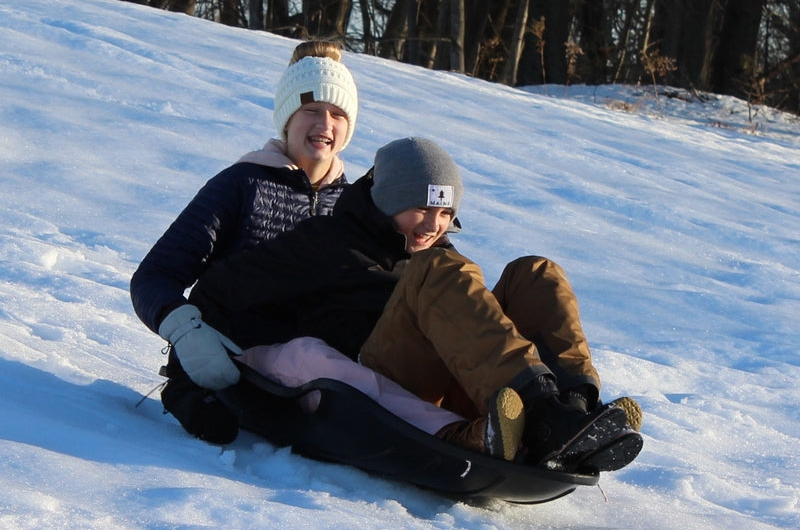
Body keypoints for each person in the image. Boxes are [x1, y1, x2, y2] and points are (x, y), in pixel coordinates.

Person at [181, 137, 642, 471]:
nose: (431, 225)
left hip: (457, 374)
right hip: (378, 373)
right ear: (386, 200)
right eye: (420, 208)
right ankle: (543, 415)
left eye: (445, 214)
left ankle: (575, 408)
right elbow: (213, 297)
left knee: (535, 271)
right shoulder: (324, 243)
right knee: (437, 270)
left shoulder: (435, 252)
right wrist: (196, 378)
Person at [130, 40, 359, 443]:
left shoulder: (356, 207)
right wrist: (188, 332)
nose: (325, 123)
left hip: (316, 368)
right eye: (312, 110)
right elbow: (154, 276)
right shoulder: (242, 184)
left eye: (338, 113)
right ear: (287, 117)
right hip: (225, 360)